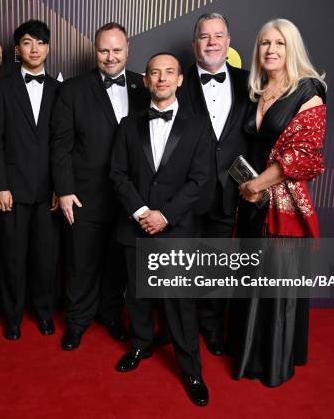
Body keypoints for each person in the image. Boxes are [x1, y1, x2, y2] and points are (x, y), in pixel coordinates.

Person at [110, 52, 212, 406]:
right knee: (136, 296)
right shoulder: (127, 124)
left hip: (176, 227)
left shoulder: (199, 126)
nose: (162, 78)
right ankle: (139, 345)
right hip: (135, 225)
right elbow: (118, 174)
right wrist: (141, 212)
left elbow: (200, 181)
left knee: (179, 304)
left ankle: (191, 369)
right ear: (146, 81)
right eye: (155, 73)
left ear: (180, 79)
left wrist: (164, 215)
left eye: (169, 72)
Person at [229, 18, 326, 387]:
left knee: (276, 279)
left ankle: (271, 361)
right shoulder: (256, 90)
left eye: (279, 44)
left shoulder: (307, 91)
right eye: (265, 43)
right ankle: (247, 349)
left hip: (281, 203)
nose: (271, 50)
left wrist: (257, 184)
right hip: (251, 201)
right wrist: (249, 188)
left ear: (292, 49)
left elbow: (303, 156)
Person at [50, 22, 149, 350]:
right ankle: (77, 321)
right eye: (104, 50)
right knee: (81, 263)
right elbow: (61, 145)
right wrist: (64, 190)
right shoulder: (73, 90)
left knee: (116, 263)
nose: (110, 57)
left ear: (127, 50)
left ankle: (110, 315)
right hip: (83, 194)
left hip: (129, 197)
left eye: (116, 50)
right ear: (95, 51)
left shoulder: (143, 86)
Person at [178, 13, 251, 356]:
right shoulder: (177, 81)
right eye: (204, 37)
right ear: (194, 44)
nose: (211, 42)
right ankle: (182, 328)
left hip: (228, 192)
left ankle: (211, 328)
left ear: (228, 41)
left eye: (218, 36)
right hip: (185, 194)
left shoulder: (250, 83)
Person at [0, 20, 59, 340]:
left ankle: (44, 313)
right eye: (28, 43)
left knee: (45, 258)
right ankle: (13, 317)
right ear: (17, 49)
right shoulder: (2, 86)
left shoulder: (60, 89)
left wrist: (62, 187)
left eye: (40, 43)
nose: (34, 49)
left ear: (48, 47)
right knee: (12, 258)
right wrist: (0, 185)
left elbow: (63, 143)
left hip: (48, 191)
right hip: (12, 190)